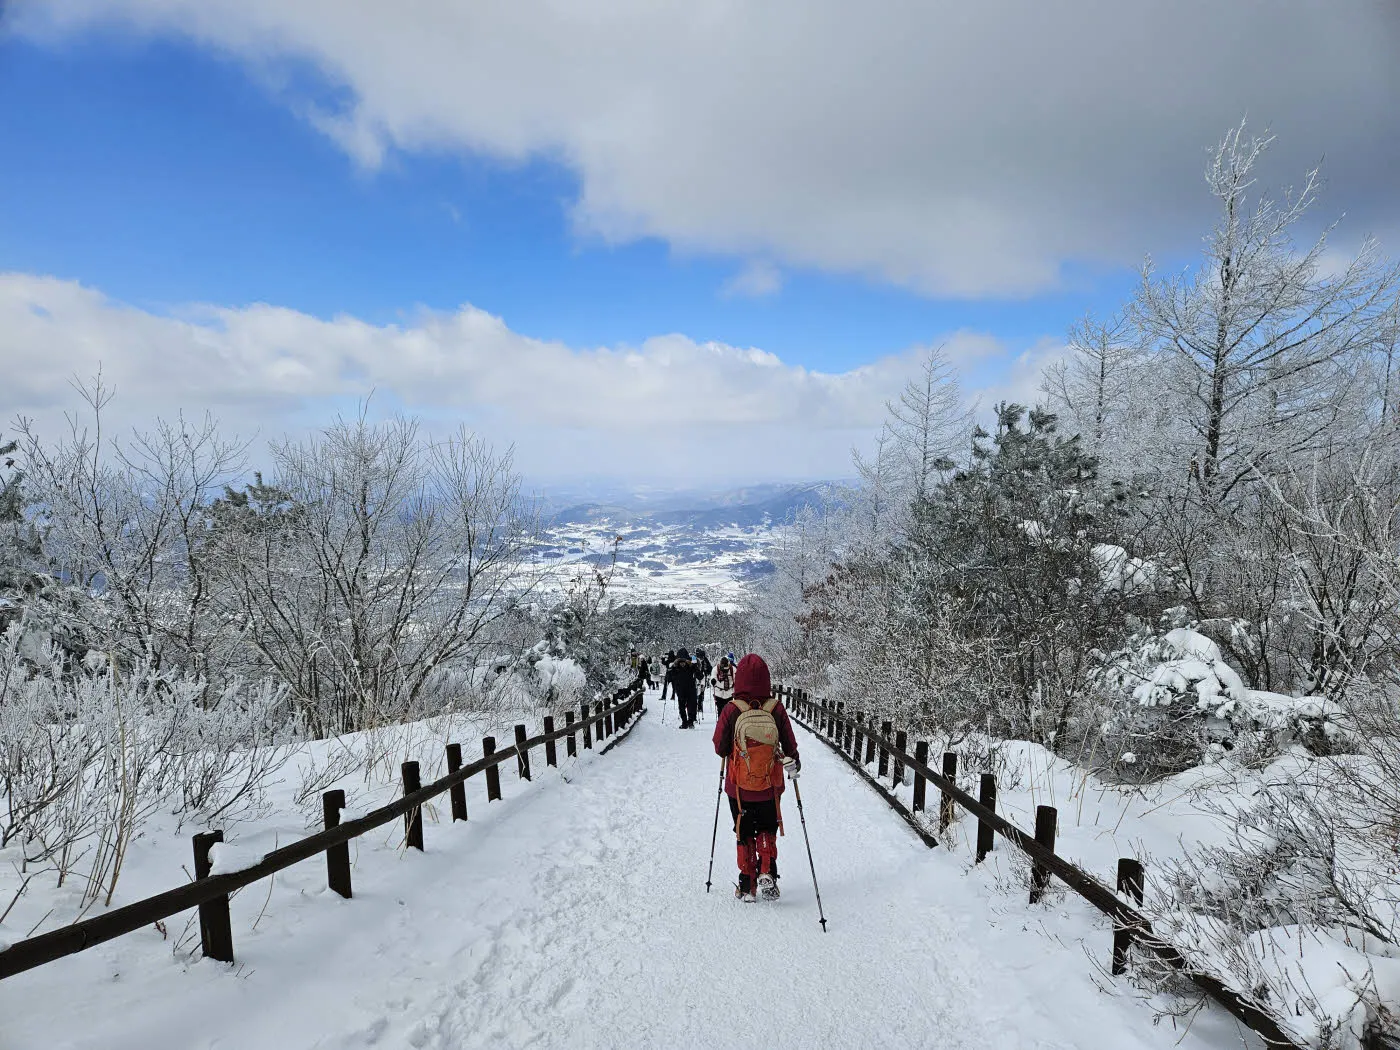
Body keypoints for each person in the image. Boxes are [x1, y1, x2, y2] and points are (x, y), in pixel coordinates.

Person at [712, 654, 799, 902]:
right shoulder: (776, 708)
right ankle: (767, 871)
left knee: (743, 830)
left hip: (738, 787)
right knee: (767, 827)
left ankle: (747, 885)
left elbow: (719, 747)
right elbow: (791, 747)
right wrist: (794, 761)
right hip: (770, 785)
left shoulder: (731, 709)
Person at [665, 648, 702, 728]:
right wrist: (670, 671)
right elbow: (669, 679)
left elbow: (700, 676)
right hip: (680, 690)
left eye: (684, 662)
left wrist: (695, 667)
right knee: (681, 707)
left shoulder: (691, 667)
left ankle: (691, 721)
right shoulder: (675, 668)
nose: (682, 664)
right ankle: (684, 722)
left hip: (691, 689)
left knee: (692, 706)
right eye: (680, 662)